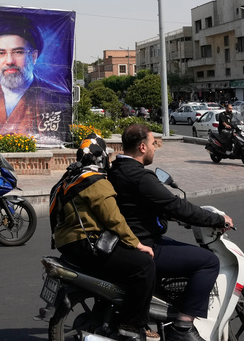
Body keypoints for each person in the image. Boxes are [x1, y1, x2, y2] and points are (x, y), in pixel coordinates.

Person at [110, 124, 232, 341]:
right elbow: (176, 206)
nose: (155, 148)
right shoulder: (141, 177)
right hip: (145, 244)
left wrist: (170, 215)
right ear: (142, 147)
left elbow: (143, 206)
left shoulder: (116, 169)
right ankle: (183, 326)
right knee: (208, 262)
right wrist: (218, 219)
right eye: (152, 144)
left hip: (125, 242)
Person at [50, 134, 155, 339]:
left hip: (67, 243)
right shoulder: (94, 180)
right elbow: (113, 219)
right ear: (100, 157)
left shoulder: (71, 176)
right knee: (144, 265)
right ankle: (132, 325)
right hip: (84, 243)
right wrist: (137, 244)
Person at [0, 17, 69, 145]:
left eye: (18, 52)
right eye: (1, 53)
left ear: (33, 56)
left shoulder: (59, 98)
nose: (9, 61)